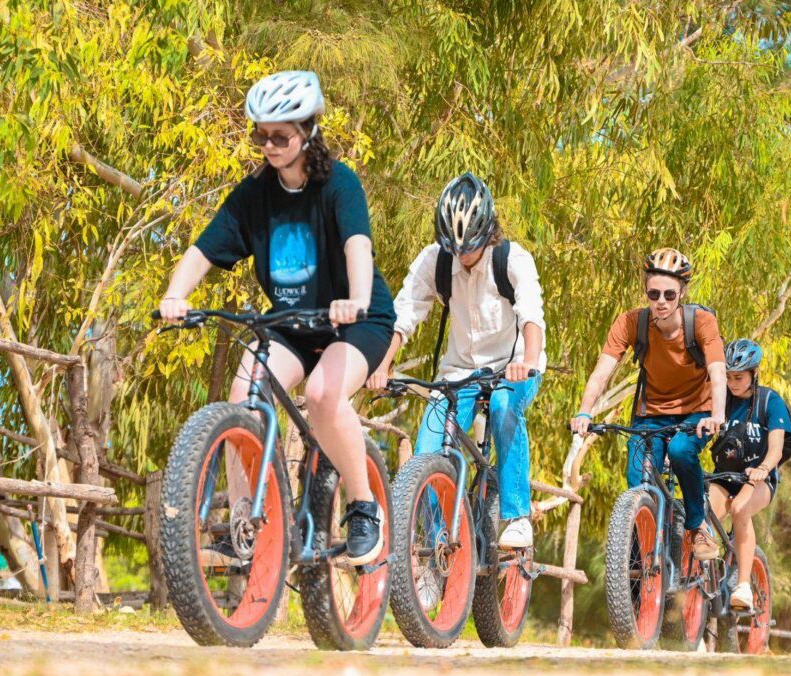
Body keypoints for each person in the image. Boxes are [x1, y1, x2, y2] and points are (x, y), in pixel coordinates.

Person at [159, 70, 395, 564]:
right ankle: (248, 519)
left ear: (308, 130)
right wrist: (175, 295)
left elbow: (358, 245)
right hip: (291, 323)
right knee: (243, 394)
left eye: (280, 135)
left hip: (355, 319)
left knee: (323, 395)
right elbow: (204, 248)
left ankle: (363, 506)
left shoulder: (340, 184)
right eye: (260, 135)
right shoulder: (254, 195)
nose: (269, 145)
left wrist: (353, 297)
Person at [369, 173, 545, 549]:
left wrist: (527, 363)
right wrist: (382, 366)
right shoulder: (435, 260)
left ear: (488, 233)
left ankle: (516, 516)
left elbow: (532, 316)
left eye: (470, 247)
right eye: (454, 247)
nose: (462, 256)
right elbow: (403, 315)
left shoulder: (512, 259)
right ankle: (435, 549)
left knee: (503, 405)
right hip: (459, 373)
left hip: (512, 367)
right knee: (427, 453)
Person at [570, 248, 726, 563]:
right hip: (650, 413)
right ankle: (645, 559)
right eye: (653, 293)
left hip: (698, 411)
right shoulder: (632, 323)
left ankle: (697, 528)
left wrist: (717, 416)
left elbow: (717, 372)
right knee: (637, 480)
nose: (661, 301)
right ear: (646, 291)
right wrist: (585, 412)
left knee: (682, 451)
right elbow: (601, 373)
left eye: (669, 294)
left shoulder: (701, 322)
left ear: (683, 292)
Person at [707, 339, 791, 609]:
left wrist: (763, 469)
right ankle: (699, 581)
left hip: (759, 478)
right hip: (724, 476)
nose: (733, 382)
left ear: (754, 374)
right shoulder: (721, 399)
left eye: (739, 377)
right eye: (729, 377)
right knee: (701, 514)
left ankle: (743, 586)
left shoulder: (770, 401)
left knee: (741, 509)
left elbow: (777, 449)